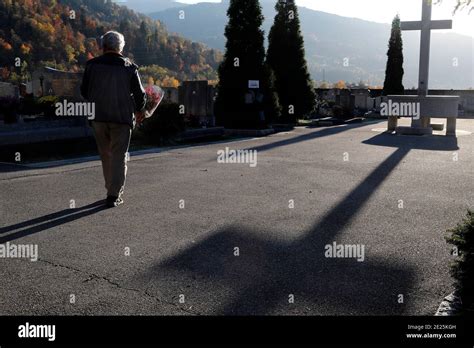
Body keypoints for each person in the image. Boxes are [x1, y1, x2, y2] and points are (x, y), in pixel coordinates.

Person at [81, 31, 146, 208]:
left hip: (98, 117)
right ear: (121, 47)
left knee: (105, 155)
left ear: (103, 46)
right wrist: (140, 110)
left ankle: (110, 187)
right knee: (119, 156)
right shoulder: (129, 67)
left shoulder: (92, 66)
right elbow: (140, 95)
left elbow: (84, 91)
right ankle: (113, 194)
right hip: (121, 118)